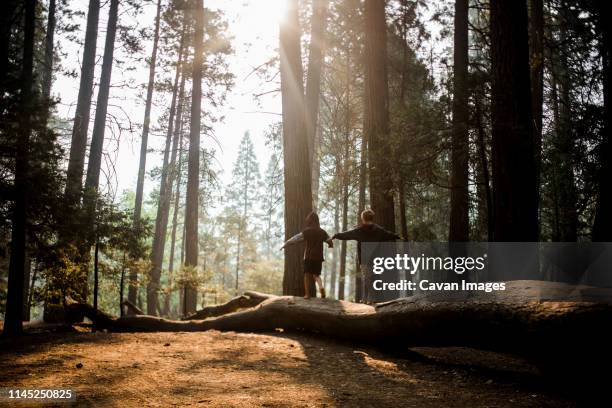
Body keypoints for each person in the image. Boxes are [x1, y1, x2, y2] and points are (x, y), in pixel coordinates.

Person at [332, 209, 401, 303]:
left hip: (364, 259)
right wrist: (397, 236)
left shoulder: (359, 231)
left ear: (363, 218)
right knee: (373, 278)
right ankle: (368, 299)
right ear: (372, 218)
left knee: (367, 278)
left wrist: (336, 235)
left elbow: (347, 235)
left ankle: (370, 299)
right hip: (376, 259)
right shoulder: (379, 230)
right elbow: (389, 235)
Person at [281, 212, 333, 299]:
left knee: (306, 274)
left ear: (310, 221)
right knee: (316, 275)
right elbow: (329, 240)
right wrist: (330, 245)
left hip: (309, 256)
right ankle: (322, 289)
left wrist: (287, 243)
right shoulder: (322, 232)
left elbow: (296, 238)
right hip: (319, 257)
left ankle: (307, 294)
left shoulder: (307, 231)